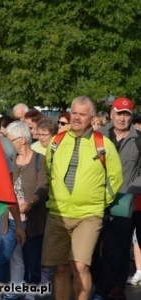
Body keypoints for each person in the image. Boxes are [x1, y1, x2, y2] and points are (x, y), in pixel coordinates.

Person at [42, 96, 123, 300]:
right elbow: (49, 171)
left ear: (92, 117)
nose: (76, 118)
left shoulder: (103, 145)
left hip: (88, 215)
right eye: (74, 113)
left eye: (82, 114)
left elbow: (115, 179)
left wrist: (98, 202)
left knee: (79, 266)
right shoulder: (56, 142)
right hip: (58, 213)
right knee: (60, 268)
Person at [0, 121, 48, 300]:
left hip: (31, 221)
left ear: (22, 140)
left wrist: (30, 202)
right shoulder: (8, 160)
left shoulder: (40, 159)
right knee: (1, 260)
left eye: (9, 139)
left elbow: (44, 187)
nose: (6, 143)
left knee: (32, 263)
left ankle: (30, 296)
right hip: (8, 219)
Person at [93, 97, 141, 299]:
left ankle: (113, 289)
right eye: (119, 113)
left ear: (131, 116)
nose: (122, 118)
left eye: (126, 114)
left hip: (123, 203)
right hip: (95, 201)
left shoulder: (139, 139)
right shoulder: (96, 136)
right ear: (111, 113)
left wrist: (131, 190)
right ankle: (100, 285)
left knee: (117, 250)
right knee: (91, 249)